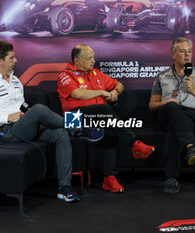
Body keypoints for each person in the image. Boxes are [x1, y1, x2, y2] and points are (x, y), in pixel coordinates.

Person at [0, 41, 80, 202]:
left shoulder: (15, 80)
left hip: (25, 127)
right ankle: (79, 129)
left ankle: (64, 188)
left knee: (60, 133)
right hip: (8, 132)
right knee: (38, 109)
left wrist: (25, 117)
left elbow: (21, 107)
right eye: (12, 58)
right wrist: (7, 117)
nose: (15, 61)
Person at [57, 44, 155, 193]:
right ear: (77, 61)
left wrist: (115, 91)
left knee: (109, 125)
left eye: (93, 57)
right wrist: (102, 92)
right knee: (105, 110)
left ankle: (110, 178)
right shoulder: (65, 74)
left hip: (99, 117)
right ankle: (134, 144)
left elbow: (119, 84)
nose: (93, 61)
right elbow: (77, 94)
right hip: (75, 118)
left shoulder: (95, 73)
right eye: (89, 58)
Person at [149, 37, 195, 194]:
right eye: (182, 51)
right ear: (173, 54)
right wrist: (166, 103)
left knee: (175, 127)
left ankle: (172, 178)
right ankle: (191, 147)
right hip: (166, 113)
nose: (187, 55)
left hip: (192, 116)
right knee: (173, 106)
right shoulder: (162, 76)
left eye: (190, 51)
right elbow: (152, 105)